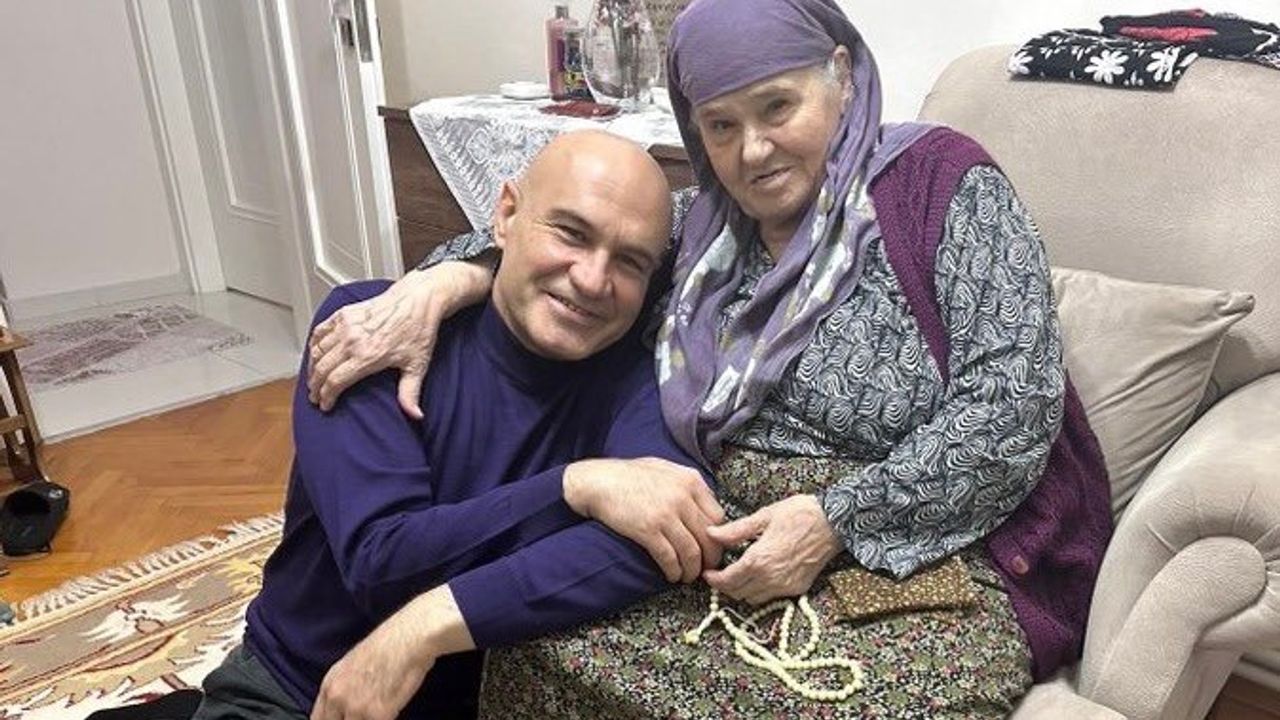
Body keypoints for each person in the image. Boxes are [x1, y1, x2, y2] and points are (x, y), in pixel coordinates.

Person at [307, 0, 1114, 716]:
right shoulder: (701, 230)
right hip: (720, 541)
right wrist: (440, 282)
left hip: (931, 547)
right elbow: (568, 258)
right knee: (533, 643)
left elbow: (1014, 403)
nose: (752, 150)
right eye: (721, 125)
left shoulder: (941, 185)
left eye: (777, 107)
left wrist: (835, 520)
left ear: (840, 76)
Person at [191, 131, 726, 720]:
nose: (594, 280)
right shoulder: (369, 333)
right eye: (571, 233)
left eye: (630, 261)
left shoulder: (639, 381)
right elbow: (381, 563)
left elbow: (662, 542)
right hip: (300, 693)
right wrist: (576, 486)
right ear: (506, 216)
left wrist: (426, 627)